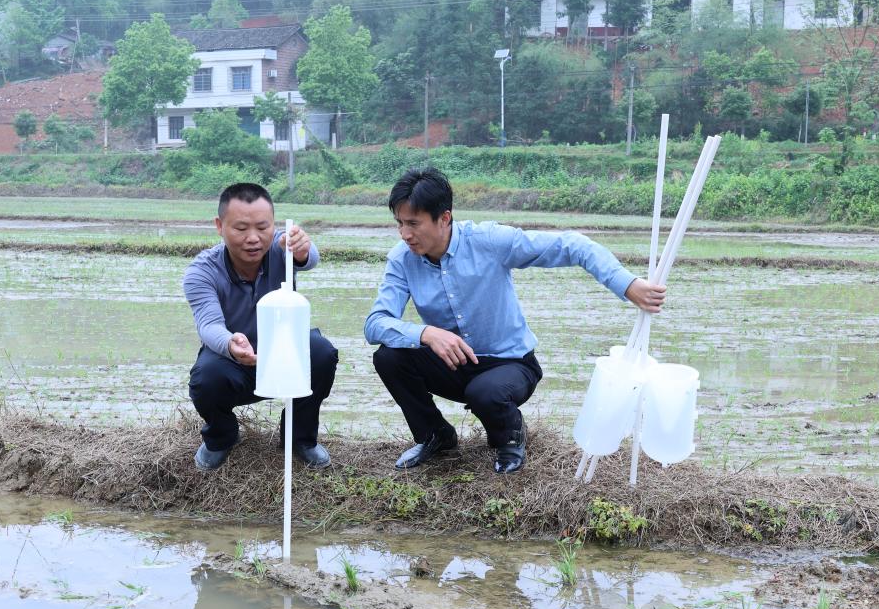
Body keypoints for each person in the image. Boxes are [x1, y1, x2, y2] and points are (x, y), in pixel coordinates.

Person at [364, 168, 667, 474]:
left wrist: (628, 285)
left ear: (444, 218)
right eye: (400, 224)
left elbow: (573, 245)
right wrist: (427, 333)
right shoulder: (402, 260)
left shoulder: (489, 241)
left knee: (486, 392)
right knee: (389, 357)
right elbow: (375, 323)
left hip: (510, 364)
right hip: (455, 365)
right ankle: (434, 435)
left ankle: (510, 437)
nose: (405, 234)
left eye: (413, 224)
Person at [183, 183, 338, 471]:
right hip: (234, 361)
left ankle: (300, 438)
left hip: (284, 355)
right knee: (206, 378)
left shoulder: (283, 249)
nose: (253, 238)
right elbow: (208, 325)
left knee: (321, 352)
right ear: (220, 226)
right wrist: (232, 344)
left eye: (262, 227)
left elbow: (309, 258)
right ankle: (222, 437)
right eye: (241, 228)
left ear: (274, 225)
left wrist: (302, 249)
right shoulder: (201, 271)